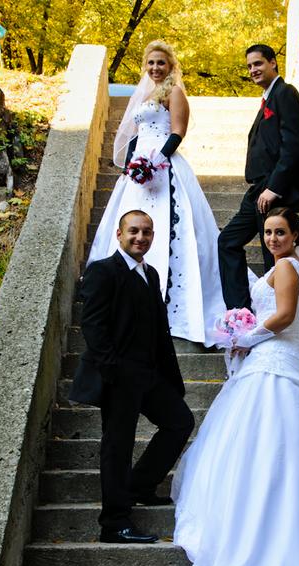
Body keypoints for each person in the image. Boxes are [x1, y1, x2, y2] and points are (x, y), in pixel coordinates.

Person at [172, 207, 299, 566]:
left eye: (280, 232)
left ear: (295, 236)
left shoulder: (287, 267)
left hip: (277, 363)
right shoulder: (282, 266)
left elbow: (284, 316)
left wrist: (247, 336)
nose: (272, 239)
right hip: (272, 360)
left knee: (272, 447)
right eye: (268, 232)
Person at [87, 40, 225, 347]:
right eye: (151, 62)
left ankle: (168, 301)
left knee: (169, 229)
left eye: (161, 62)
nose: (155, 68)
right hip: (139, 172)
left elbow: (177, 132)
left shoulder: (174, 93)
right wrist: (132, 166)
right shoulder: (144, 94)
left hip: (164, 168)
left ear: (171, 65)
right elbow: (136, 135)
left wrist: (155, 162)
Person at [70, 210, 195, 543]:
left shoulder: (150, 273)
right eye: (134, 231)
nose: (141, 237)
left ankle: (140, 485)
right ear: (119, 234)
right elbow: (93, 326)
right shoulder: (102, 271)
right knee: (118, 446)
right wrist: (114, 370)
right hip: (118, 375)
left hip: (149, 374)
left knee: (180, 421)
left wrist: (166, 375)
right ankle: (114, 523)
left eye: (147, 232)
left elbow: (157, 328)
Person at [218, 43, 299, 311]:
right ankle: (241, 311)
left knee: (273, 253)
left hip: (275, 190)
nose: (253, 70)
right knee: (227, 241)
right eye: (249, 66)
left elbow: (293, 145)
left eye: (258, 63)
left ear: (273, 62)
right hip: (258, 190)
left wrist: (274, 188)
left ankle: (279, 313)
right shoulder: (268, 99)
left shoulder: (285, 93)